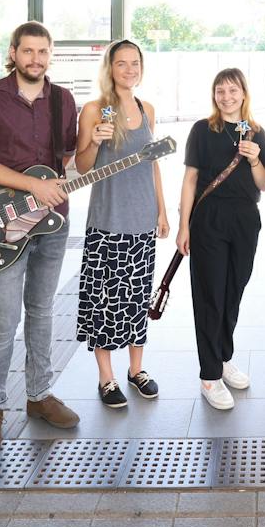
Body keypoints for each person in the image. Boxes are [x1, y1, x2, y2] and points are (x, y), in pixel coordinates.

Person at [0, 21, 81, 456]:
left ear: (51, 55)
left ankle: (39, 395)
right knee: (2, 321)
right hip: (2, 226)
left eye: (43, 52)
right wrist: (31, 186)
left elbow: (68, 160)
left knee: (43, 312)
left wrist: (98, 151)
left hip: (52, 222)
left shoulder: (63, 100)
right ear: (13, 52)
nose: (35, 59)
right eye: (27, 51)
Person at [74, 39, 168, 408]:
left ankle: (135, 369)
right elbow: (82, 167)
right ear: (109, 68)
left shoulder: (148, 110)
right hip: (108, 220)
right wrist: (95, 142)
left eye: (135, 63)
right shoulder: (94, 110)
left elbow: (153, 162)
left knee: (136, 296)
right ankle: (106, 377)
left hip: (142, 218)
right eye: (121, 64)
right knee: (103, 299)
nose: (129, 70)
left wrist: (162, 210)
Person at [176, 68, 265, 411]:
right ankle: (209, 374)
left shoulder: (257, 132)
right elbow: (190, 179)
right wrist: (183, 225)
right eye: (220, 90)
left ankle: (223, 356)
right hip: (209, 218)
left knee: (234, 290)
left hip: (246, 219)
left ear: (244, 94)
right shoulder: (202, 130)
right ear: (214, 95)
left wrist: (256, 158)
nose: (227, 96)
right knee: (210, 296)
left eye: (233, 90)